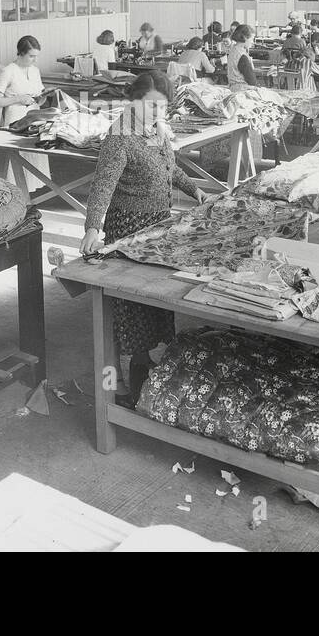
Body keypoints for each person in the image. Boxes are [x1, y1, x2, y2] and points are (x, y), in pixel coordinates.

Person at [81, 73, 209, 403]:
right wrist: (93, 228)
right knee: (131, 310)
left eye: (161, 107)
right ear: (132, 101)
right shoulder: (120, 136)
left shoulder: (154, 131)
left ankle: (144, 368)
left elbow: (170, 167)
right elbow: (103, 185)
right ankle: (122, 384)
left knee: (154, 305)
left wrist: (196, 191)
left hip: (157, 227)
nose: (155, 112)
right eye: (149, 105)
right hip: (131, 231)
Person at [0, 36, 49, 191]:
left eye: (36, 56)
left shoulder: (35, 71)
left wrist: (42, 99)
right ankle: (14, 196)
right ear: (20, 53)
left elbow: (38, 95)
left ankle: (28, 199)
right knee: (17, 161)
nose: (35, 60)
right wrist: (18, 99)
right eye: (31, 56)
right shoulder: (8, 71)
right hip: (16, 120)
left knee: (34, 157)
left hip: (35, 118)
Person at [225, 24, 258, 90]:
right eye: (252, 39)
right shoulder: (242, 56)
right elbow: (252, 80)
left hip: (233, 88)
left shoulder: (233, 50)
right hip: (243, 90)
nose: (252, 42)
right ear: (245, 37)